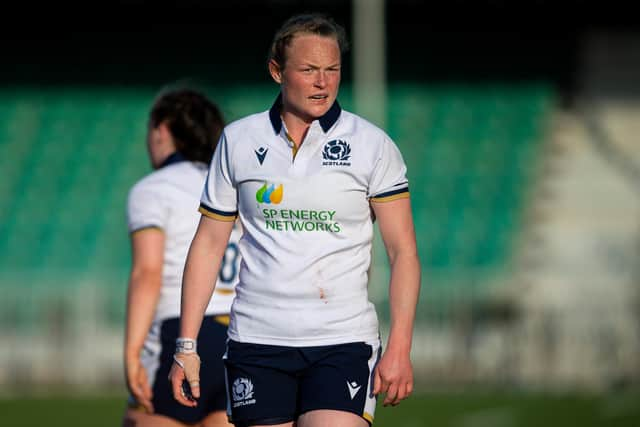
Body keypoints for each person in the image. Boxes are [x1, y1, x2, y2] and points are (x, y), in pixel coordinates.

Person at [170, 13, 421, 427]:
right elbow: (209, 245)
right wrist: (187, 345)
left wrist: (399, 347)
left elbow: (404, 251)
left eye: (332, 69)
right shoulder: (238, 140)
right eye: (308, 70)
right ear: (276, 71)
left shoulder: (373, 145)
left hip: (343, 341)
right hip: (256, 341)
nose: (323, 82)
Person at [122, 88, 241, 427]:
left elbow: (148, 273)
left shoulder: (154, 188)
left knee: (138, 419)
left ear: (162, 129)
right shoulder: (230, 183)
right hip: (240, 334)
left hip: (182, 332)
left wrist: (131, 355)